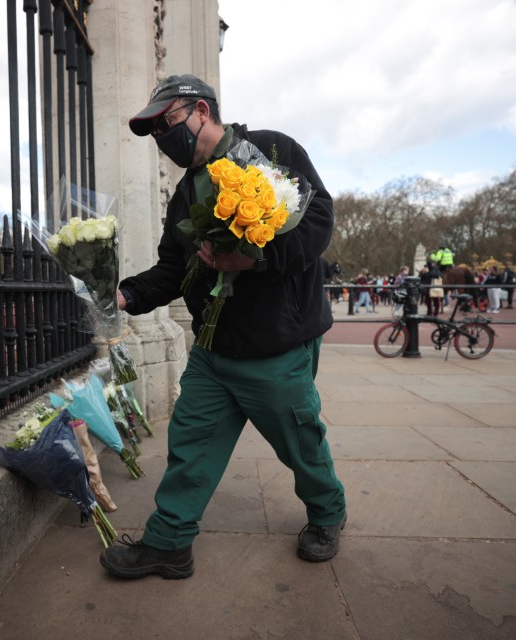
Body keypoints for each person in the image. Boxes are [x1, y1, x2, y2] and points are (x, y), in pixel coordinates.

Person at [101, 75, 347, 580]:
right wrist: (122, 295)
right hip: (214, 349)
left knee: (300, 445)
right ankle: (169, 543)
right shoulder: (185, 193)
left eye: (166, 122)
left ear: (200, 111)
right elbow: (174, 269)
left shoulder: (273, 149)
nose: (161, 138)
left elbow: (317, 221)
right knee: (190, 445)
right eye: (151, 132)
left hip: (274, 346)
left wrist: (254, 260)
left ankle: (327, 514)